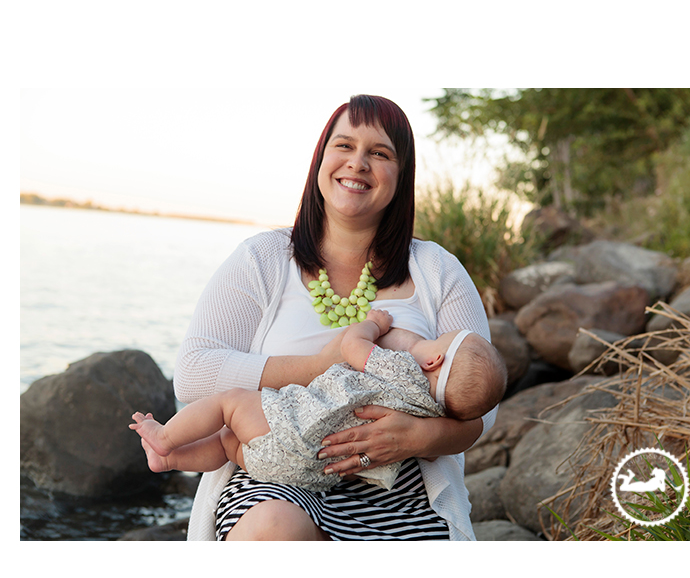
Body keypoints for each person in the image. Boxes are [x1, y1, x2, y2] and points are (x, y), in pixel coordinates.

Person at [174, 94, 506, 541]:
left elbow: (482, 407)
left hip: (399, 488)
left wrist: (417, 438)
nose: (358, 163)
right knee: (274, 529)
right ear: (321, 160)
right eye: (344, 146)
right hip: (278, 475)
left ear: (401, 174)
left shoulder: (437, 270)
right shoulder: (263, 259)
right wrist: (323, 363)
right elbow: (193, 375)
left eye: (380, 152)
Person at [131, 309, 506, 491]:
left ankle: (166, 442)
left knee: (229, 405)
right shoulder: (431, 411)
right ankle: (170, 461)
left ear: (433, 360)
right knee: (230, 445)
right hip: (311, 474)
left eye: (437, 339)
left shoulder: (403, 370)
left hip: (290, 426)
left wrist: (373, 324)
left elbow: (352, 346)